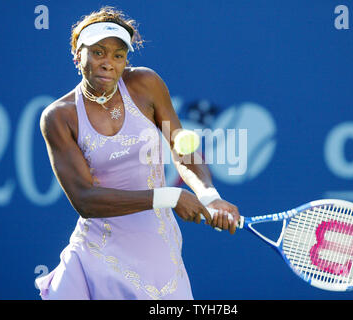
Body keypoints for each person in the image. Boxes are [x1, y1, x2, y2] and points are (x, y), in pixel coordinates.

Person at [35, 6, 240, 300]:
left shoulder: (146, 84)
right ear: (77, 53)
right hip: (97, 256)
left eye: (118, 55)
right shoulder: (59, 117)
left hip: (160, 251)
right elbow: (85, 199)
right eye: (98, 52)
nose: (108, 63)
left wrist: (208, 195)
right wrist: (169, 197)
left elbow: (182, 147)